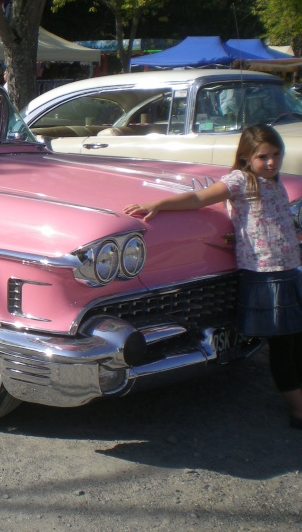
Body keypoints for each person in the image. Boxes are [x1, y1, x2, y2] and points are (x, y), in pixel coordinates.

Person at [124, 124, 302, 430]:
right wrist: (157, 205)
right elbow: (197, 199)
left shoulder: (275, 182)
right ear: (246, 158)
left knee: (296, 341)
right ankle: (298, 410)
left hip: (289, 271)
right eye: (263, 156)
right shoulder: (240, 181)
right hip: (266, 275)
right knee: (285, 346)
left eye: (276, 154)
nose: (271, 162)